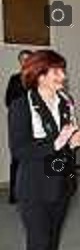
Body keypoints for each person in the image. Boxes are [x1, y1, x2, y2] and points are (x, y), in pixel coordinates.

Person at [8, 50, 80, 250]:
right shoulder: (21, 106)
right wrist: (55, 143)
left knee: (52, 242)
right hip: (34, 188)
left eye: (62, 71)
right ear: (39, 75)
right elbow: (20, 150)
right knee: (38, 243)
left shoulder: (66, 102)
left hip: (62, 184)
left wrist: (75, 142)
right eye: (56, 72)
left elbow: (68, 139)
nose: (62, 77)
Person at [5, 49, 33, 204]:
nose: (25, 62)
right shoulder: (14, 79)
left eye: (28, 59)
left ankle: (32, 193)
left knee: (35, 158)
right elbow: (8, 101)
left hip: (36, 124)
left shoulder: (38, 79)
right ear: (19, 62)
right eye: (22, 59)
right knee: (17, 158)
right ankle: (14, 195)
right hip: (19, 124)